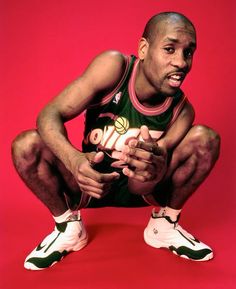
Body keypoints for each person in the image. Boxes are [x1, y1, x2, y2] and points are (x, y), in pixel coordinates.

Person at [12, 11, 220, 270]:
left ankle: (164, 226)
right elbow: (48, 114)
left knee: (206, 139)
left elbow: (143, 183)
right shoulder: (114, 68)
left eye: (188, 52)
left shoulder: (182, 111)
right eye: (169, 49)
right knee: (26, 145)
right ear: (143, 49)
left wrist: (151, 171)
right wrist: (74, 160)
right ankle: (68, 227)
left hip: (141, 191)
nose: (181, 62)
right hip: (88, 183)